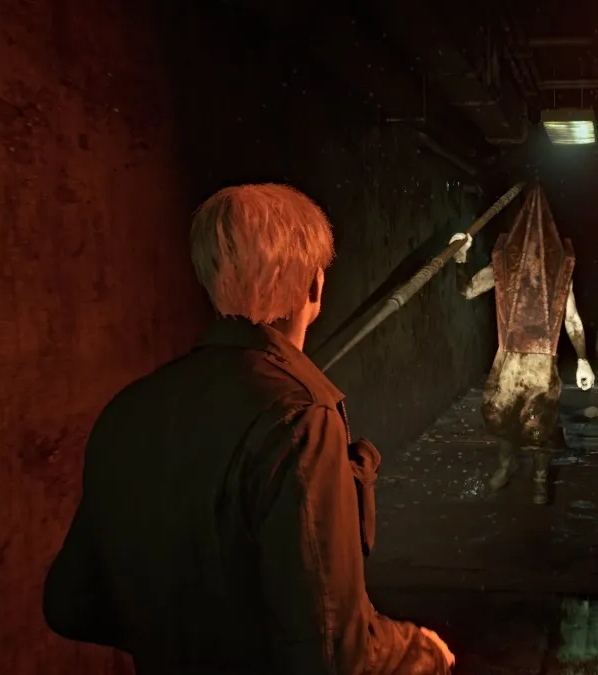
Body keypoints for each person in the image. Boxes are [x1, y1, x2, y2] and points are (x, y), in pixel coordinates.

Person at [43, 184, 455, 675]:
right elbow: (331, 655)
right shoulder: (302, 418)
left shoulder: (129, 410)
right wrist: (418, 650)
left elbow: (71, 604)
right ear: (314, 288)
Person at [450, 182, 595, 506]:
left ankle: (540, 478)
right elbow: (468, 290)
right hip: (510, 357)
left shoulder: (559, 272)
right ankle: (506, 465)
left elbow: (572, 319)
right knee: (501, 415)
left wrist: (583, 360)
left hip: (542, 362)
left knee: (540, 424)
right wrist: (461, 258)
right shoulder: (504, 266)